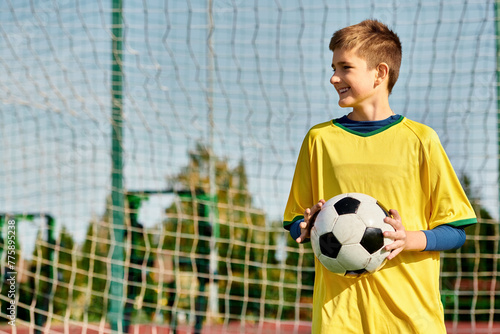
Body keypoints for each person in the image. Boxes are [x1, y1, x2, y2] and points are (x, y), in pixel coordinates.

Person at [283, 19, 477, 334]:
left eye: (345, 68)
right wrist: (304, 227)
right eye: (332, 67)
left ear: (380, 73)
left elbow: (457, 230)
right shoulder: (319, 140)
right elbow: (295, 222)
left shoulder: (420, 139)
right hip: (338, 319)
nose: (334, 77)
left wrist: (411, 238)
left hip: (411, 318)